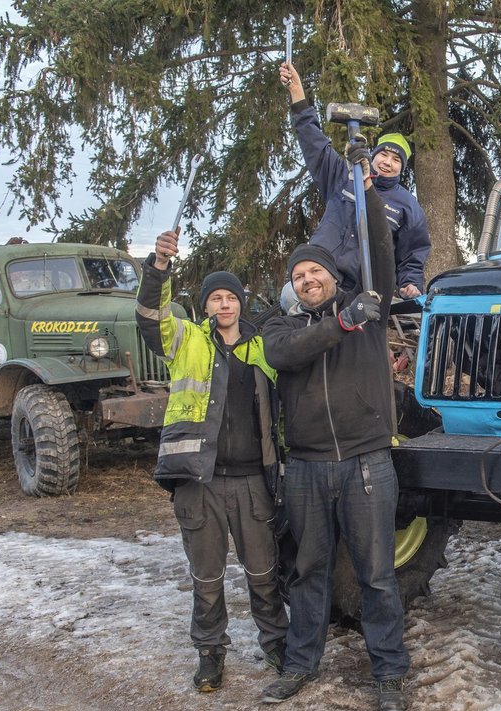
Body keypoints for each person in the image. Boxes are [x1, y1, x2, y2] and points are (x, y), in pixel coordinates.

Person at [258, 144, 410, 710]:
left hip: (368, 464)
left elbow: (381, 247)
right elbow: (287, 355)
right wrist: (338, 325)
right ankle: (300, 665)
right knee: (309, 572)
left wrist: (365, 186)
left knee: (376, 577)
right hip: (307, 467)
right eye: (298, 276)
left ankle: (390, 674)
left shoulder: (371, 309)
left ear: (332, 274)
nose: (307, 281)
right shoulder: (279, 327)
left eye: (315, 271)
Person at [135, 227, 288, 693]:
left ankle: (277, 642)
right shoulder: (186, 341)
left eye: (231, 297)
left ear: (243, 302)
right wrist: (158, 267)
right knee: (207, 576)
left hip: (252, 482)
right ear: (204, 305)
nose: (225, 305)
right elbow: (148, 318)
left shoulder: (263, 347)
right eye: (215, 298)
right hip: (197, 482)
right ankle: (209, 652)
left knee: (264, 572)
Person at [280, 61, 430, 299]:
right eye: (383, 154)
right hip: (320, 275)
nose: (387, 162)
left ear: (402, 167)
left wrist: (410, 283)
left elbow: (412, 253)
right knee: (290, 296)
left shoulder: (407, 206)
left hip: (361, 289)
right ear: (374, 154)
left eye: (396, 159)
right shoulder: (343, 177)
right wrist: (297, 94)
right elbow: (313, 143)